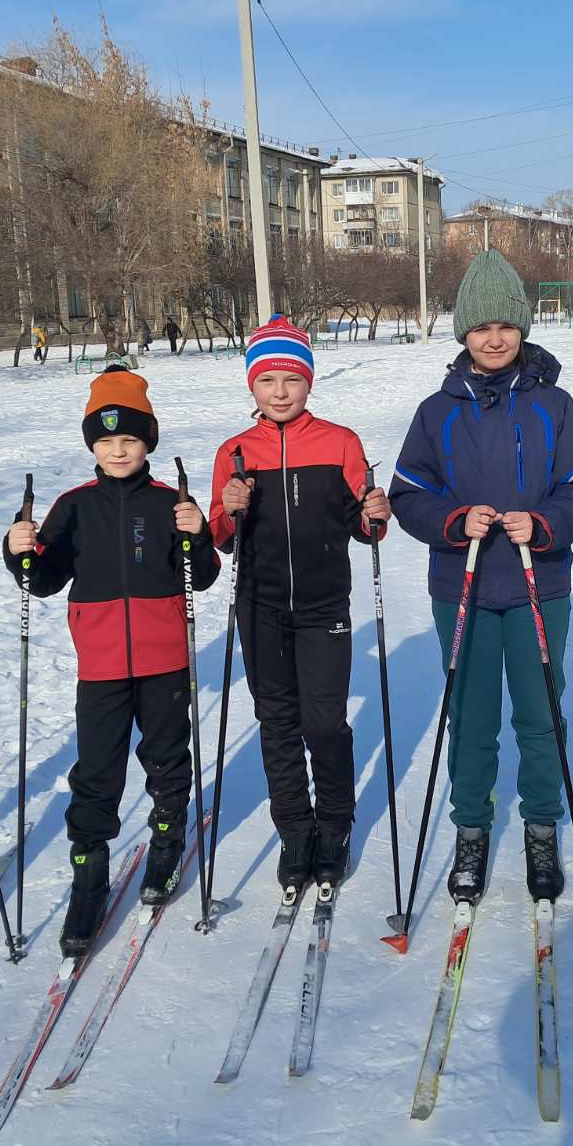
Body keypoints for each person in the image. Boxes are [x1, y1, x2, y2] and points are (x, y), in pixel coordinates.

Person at [389, 249, 573, 906]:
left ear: (522, 329)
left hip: (539, 584)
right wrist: (455, 521)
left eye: (505, 326)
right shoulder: (437, 411)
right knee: (471, 714)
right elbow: (408, 492)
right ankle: (472, 829)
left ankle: (542, 825)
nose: (493, 338)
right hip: (463, 586)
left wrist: (542, 526)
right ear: (463, 332)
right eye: (481, 327)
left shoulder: (555, 405)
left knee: (540, 714)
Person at [4, 366, 220, 957]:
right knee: (97, 771)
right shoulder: (74, 506)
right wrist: (18, 550)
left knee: (166, 757)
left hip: (165, 659)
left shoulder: (168, 501)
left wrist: (197, 534)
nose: (118, 450)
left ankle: (168, 841)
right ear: (91, 446)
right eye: (105, 441)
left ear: (147, 441)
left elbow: (199, 577)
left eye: (129, 439)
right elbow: (42, 580)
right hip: (99, 662)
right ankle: (89, 875)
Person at [208, 316, 390, 895]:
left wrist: (374, 513)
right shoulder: (233, 451)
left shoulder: (340, 442)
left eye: (291, 379)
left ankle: (333, 826)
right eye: (268, 380)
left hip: (323, 605)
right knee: (277, 723)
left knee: (325, 723)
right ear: (251, 387)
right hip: (258, 607)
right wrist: (229, 508)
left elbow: (364, 522)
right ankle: (294, 830)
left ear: (309, 382)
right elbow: (219, 535)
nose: (280, 392)